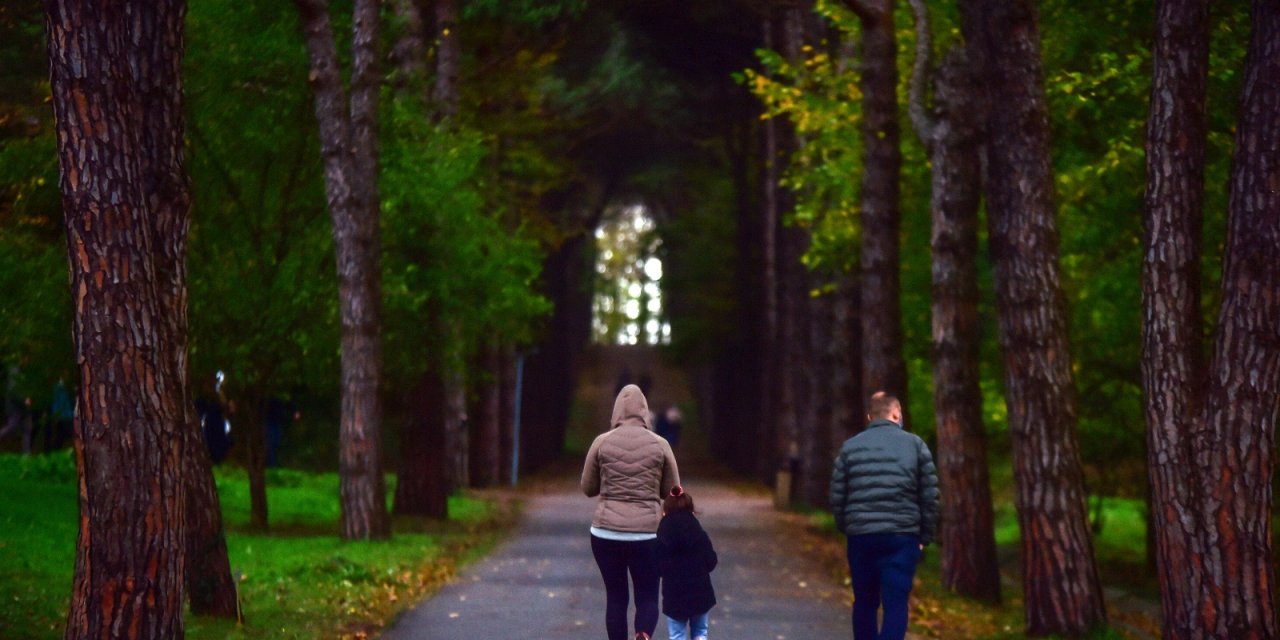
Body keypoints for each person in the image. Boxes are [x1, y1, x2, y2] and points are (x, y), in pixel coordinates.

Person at [829, 392, 939, 640]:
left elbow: (837, 495)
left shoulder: (850, 447)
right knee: (896, 603)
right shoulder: (915, 445)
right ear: (897, 414)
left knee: (864, 602)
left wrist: (847, 527)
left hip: (862, 536)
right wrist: (925, 536)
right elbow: (929, 495)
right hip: (902, 535)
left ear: (870, 417)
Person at [582, 383, 681, 640]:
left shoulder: (601, 442)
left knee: (616, 597)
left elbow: (588, 488)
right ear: (645, 412)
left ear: (616, 411)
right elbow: (672, 491)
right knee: (647, 596)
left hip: (606, 533)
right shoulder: (660, 444)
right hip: (648, 535)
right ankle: (644, 634)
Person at [657, 485, 717, 640]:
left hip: (674, 593)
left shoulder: (663, 533)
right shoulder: (698, 532)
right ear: (691, 509)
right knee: (700, 632)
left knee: (677, 634)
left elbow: (657, 565)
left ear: (666, 510)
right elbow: (711, 560)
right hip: (700, 591)